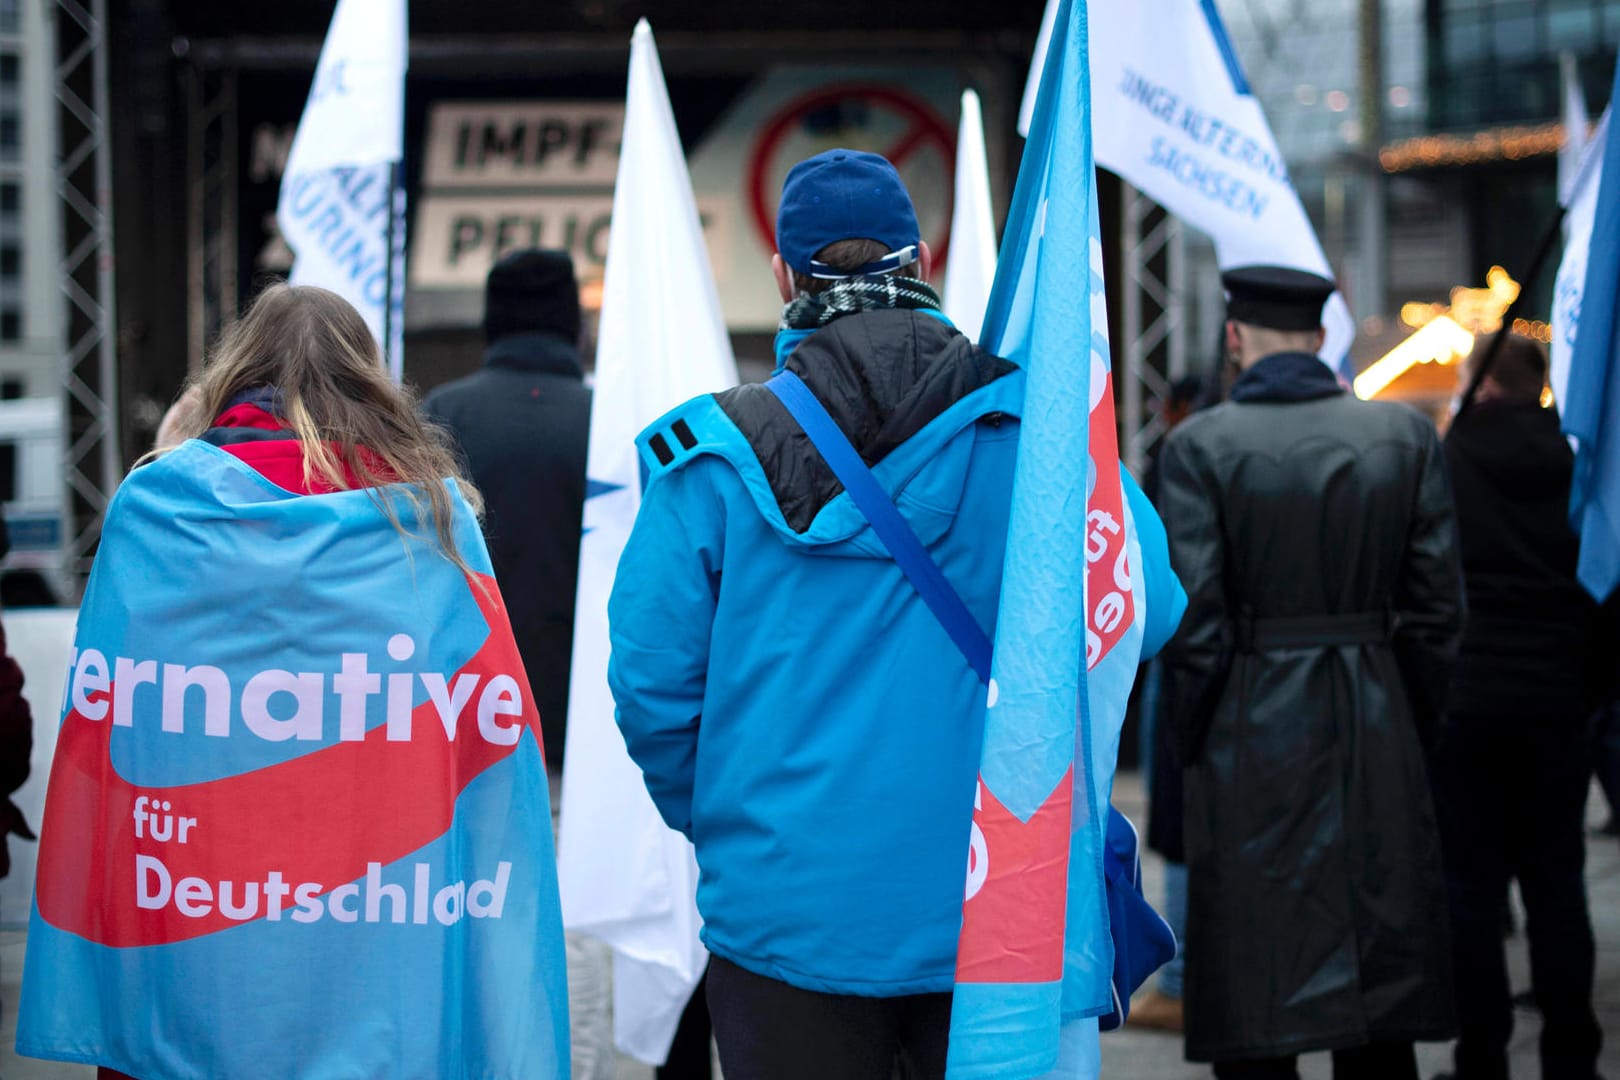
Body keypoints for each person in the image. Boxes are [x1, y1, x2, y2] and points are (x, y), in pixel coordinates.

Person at [606, 149, 1181, 1079]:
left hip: (786, 912)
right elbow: (1144, 612)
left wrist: (732, 819)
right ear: (918, 260)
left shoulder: (707, 458)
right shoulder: (1043, 432)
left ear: (787, 277)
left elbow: (650, 690)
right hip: (1001, 905)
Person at [19, 284, 571, 1080]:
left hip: (197, 910)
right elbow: (485, 724)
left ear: (236, 371)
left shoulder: (157, 506)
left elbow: (112, 707)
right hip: (378, 911)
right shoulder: (431, 519)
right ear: (370, 379)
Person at [1159, 266, 1463, 1079]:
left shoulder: (1198, 446)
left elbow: (1194, 630)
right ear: (1324, 337)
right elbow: (1440, 617)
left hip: (1248, 740)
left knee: (1258, 1009)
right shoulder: (1405, 439)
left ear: (1234, 338)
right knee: (1378, 1010)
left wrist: (1191, 745)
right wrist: (1408, 719)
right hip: (1377, 724)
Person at [1432, 334, 1614, 1080]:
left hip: (1468, 700)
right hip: (1554, 704)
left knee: (1470, 894)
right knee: (1557, 883)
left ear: (1480, 381)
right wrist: (1585, 690)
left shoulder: (1451, 457)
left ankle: (1483, 1057)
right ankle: (1573, 1055)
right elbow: (1602, 586)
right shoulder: (1580, 464)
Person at [424, 249, 591, 772]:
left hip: (470, 719)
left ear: (491, 320)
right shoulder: (610, 424)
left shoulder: (436, 419)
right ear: (574, 323)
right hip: (586, 722)